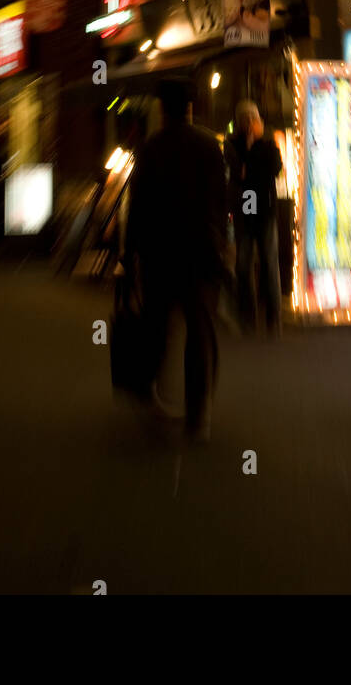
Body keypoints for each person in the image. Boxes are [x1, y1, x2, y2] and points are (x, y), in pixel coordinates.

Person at [124, 79, 229, 441]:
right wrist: (222, 246)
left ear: (162, 110)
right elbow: (221, 202)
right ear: (189, 107)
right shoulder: (208, 146)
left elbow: (135, 207)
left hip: (159, 255)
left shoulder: (150, 148)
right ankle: (198, 417)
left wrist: (129, 254)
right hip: (200, 253)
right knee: (200, 334)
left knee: (157, 326)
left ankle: (150, 395)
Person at [224, 100, 283, 338]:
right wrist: (248, 155)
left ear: (259, 121)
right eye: (245, 119)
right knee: (244, 264)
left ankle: (273, 318)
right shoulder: (232, 145)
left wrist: (250, 163)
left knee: (269, 262)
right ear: (238, 122)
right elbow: (236, 172)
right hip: (244, 212)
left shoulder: (268, 144)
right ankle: (248, 317)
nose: (249, 123)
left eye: (253, 118)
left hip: (265, 211)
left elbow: (275, 168)